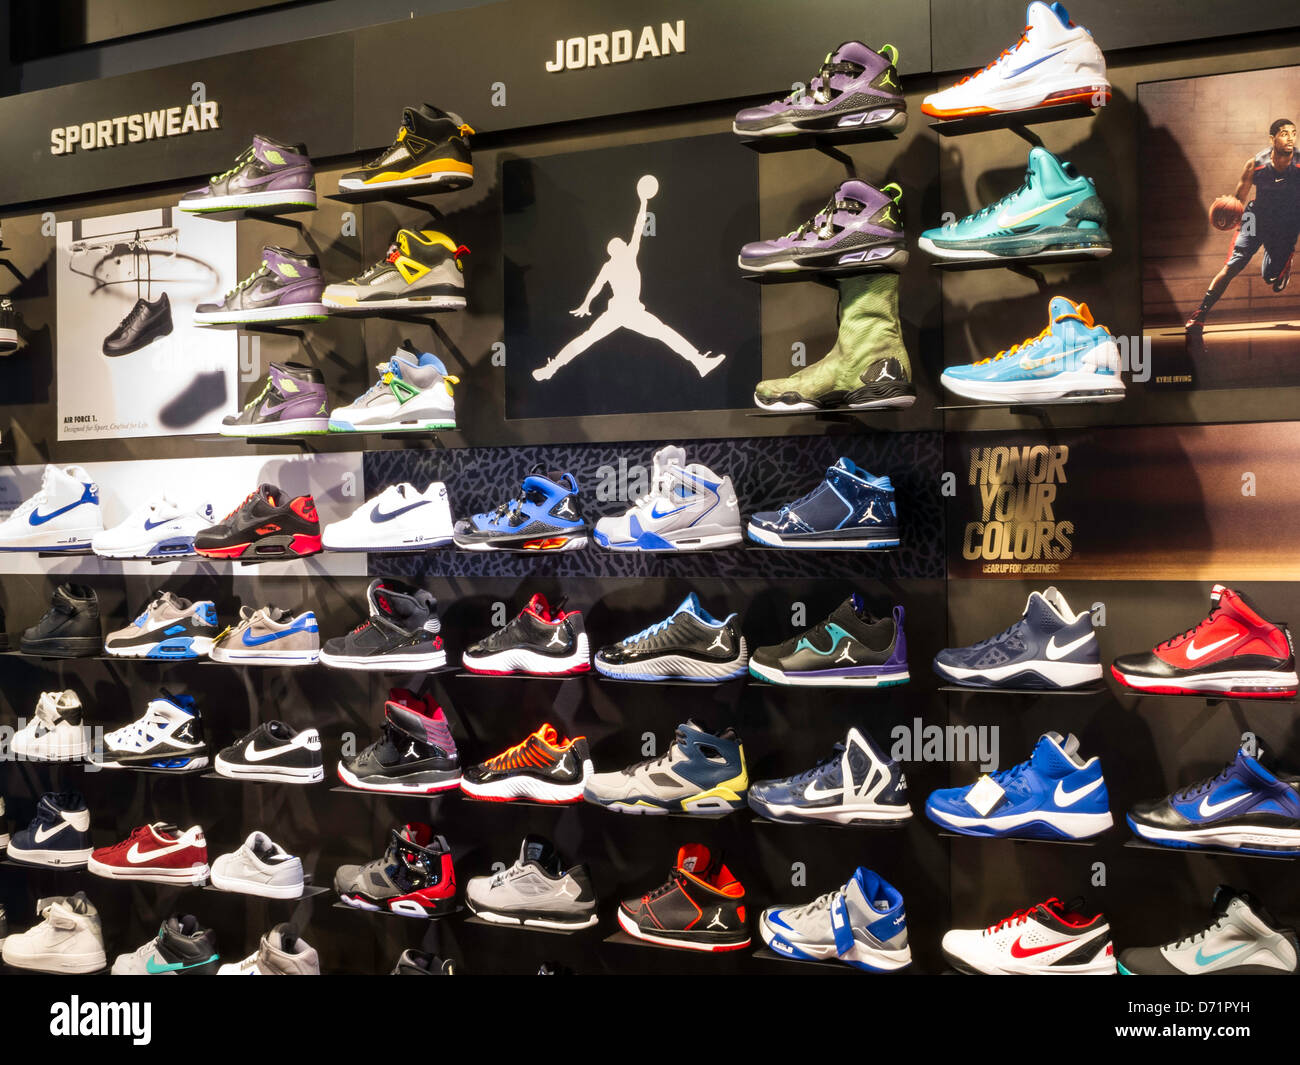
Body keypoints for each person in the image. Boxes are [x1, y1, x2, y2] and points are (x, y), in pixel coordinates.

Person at [533, 176, 724, 381]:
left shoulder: (612, 263)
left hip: (625, 311)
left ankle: (550, 369)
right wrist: (643, 202)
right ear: (617, 249)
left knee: (587, 339)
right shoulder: (626, 256)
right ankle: (699, 362)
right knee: (663, 333)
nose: (625, 242)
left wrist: (586, 304)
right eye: (621, 243)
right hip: (626, 310)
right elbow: (637, 229)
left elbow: (597, 286)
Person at [1186, 118, 1300, 336]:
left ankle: (1283, 261)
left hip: (1284, 223)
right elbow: (1239, 200)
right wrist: (1228, 208)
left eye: (1293, 133)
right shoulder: (1255, 164)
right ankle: (1200, 314)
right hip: (1255, 217)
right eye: (1284, 133)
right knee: (1233, 264)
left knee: (1270, 277)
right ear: (1272, 138)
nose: (1290, 138)